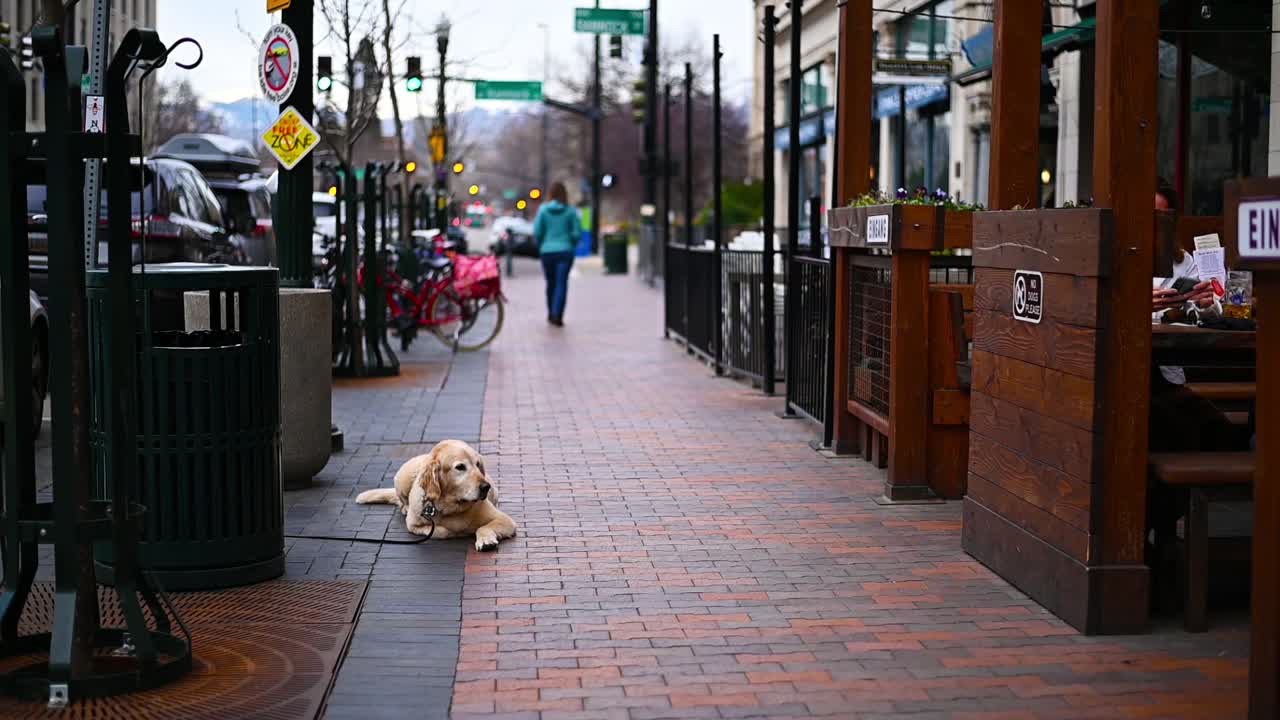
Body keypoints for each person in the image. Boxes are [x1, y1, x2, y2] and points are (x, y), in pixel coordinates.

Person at [533, 182, 581, 327]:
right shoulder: (570, 211)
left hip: (547, 252)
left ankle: (550, 313)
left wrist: (542, 245)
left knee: (550, 283)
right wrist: (571, 243)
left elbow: (538, 232)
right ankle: (557, 314)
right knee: (562, 283)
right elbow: (577, 233)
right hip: (565, 251)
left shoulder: (543, 210)